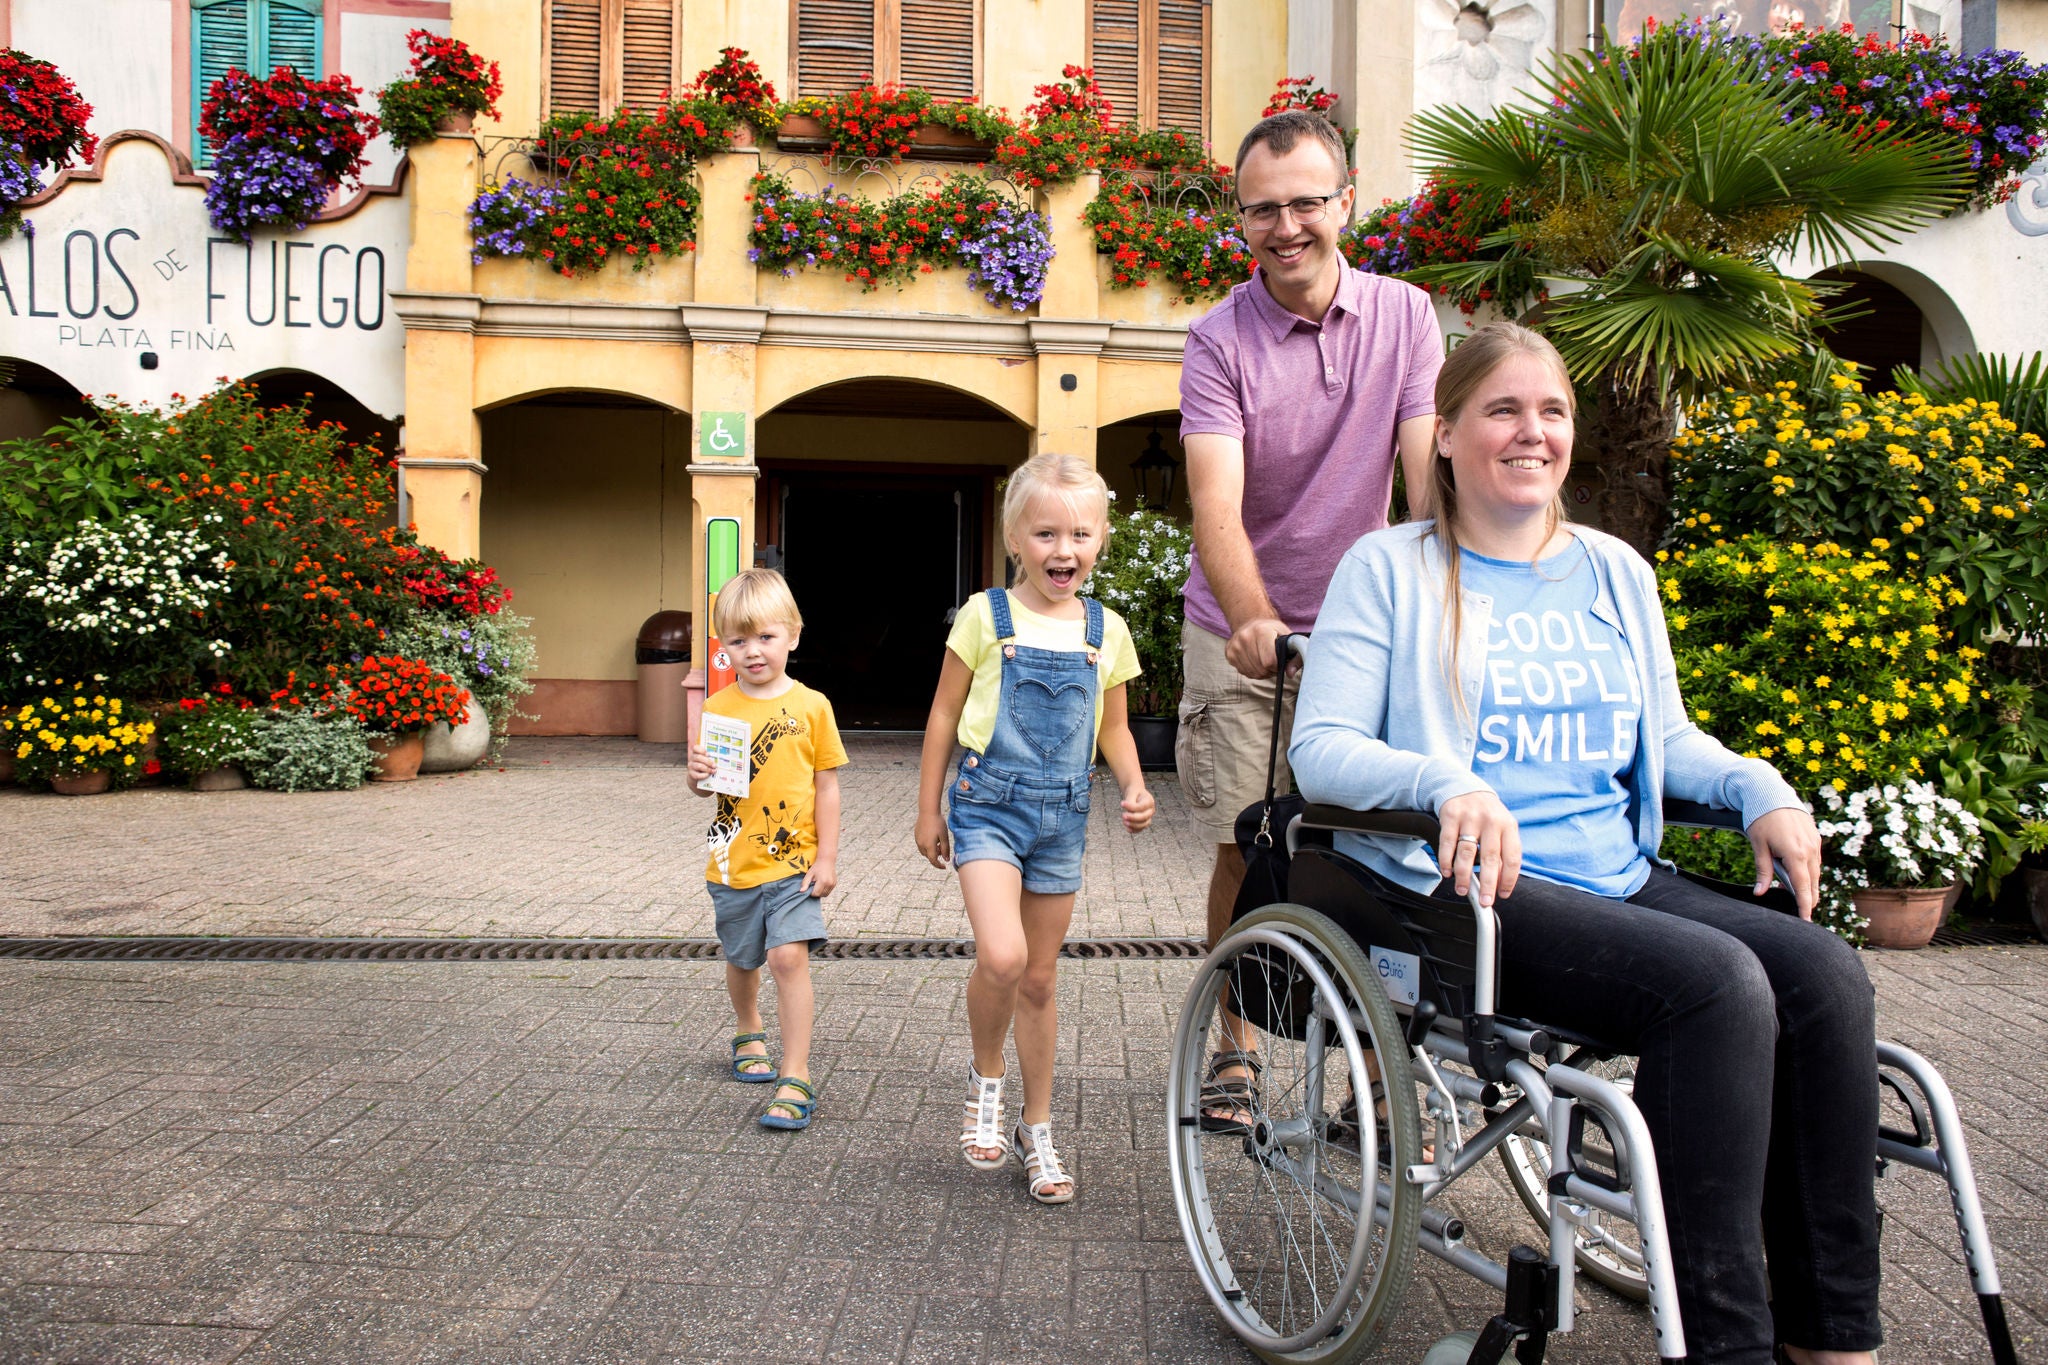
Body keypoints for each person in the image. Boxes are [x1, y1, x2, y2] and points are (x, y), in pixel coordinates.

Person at [1289, 320, 1877, 1365]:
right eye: (1502, 410)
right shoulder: (1388, 568)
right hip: (1475, 894)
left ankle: (1832, 1337)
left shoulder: (1612, 572)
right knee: (1718, 985)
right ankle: (1722, 1344)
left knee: (1823, 974)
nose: (1531, 432)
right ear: (1446, 435)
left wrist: (1756, 788)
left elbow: (1667, 735)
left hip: (1618, 874)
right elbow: (1321, 750)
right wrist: (1443, 781)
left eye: (1549, 411)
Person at [1176, 108, 1445, 1123]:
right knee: (1248, 845)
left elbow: (1424, 479)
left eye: (1303, 203)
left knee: (1362, 856)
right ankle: (1234, 1041)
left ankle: (1365, 1063)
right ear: (1238, 221)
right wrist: (1252, 618)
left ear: (1345, 202)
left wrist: (1438, 608)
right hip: (1241, 630)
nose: (1284, 227)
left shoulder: (1405, 316)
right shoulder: (1216, 338)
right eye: (1260, 211)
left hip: (1363, 632)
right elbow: (1213, 501)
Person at [914, 453, 1156, 1204]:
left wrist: (1136, 781)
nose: (1064, 549)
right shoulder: (987, 616)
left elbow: (1114, 727)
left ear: (1102, 539)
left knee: (1042, 978)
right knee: (1004, 953)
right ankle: (986, 1081)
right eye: (1046, 532)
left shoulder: (1105, 629)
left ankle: (1037, 1128)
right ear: (1015, 537)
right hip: (987, 803)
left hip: (1063, 816)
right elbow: (944, 716)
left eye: (1080, 533)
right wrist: (929, 808)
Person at [685, 568, 847, 1133]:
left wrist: (827, 857)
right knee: (743, 957)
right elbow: (708, 784)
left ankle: (795, 1075)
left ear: (793, 636)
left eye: (765, 637)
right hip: (731, 859)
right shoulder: (718, 708)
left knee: (787, 957)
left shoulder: (812, 707)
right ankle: (747, 1028)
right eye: (737, 640)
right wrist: (696, 776)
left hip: (794, 861)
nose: (752, 651)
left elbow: (827, 785)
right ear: (723, 646)